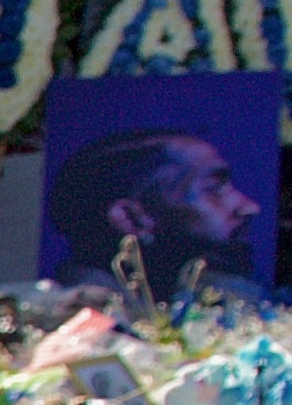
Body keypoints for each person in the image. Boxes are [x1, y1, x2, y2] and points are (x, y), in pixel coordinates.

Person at [49, 127, 268, 298]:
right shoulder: (74, 335)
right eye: (213, 188)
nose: (249, 207)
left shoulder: (215, 300)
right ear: (130, 218)